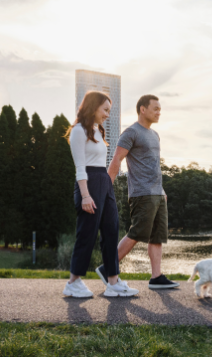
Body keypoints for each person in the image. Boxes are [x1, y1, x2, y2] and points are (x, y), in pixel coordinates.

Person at [99, 94, 179, 289]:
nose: (159, 112)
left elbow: (154, 165)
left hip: (157, 193)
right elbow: (117, 159)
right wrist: (106, 189)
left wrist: (162, 190)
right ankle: (107, 267)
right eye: (156, 108)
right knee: (136, 233)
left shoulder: (154, 135)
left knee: (157, 236)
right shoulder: (131, 133)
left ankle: (156, 277)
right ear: (143, 109)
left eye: (160, 109)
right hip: (142, 193)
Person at [64, 91, 139, 298]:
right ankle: (73, 282)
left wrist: (106, 184)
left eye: (109, 110)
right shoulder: (79, 130)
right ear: (93, 107)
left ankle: (113, 282)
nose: (107, 114)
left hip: (103, 180)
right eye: (105, 110)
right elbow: (80, 167)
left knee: (111, 229)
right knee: (87, 233)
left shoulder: (98, 130)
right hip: (88, 181)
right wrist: (85, 195)